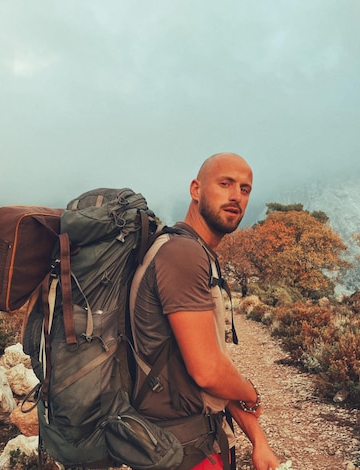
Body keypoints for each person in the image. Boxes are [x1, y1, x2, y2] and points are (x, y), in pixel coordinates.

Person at [130, 153, 280, 470]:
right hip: (183, 448)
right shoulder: (184, 254)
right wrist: (250, 393)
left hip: (194, 441)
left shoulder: (188, 249)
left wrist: (258, 439)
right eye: (225, 184)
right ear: (196, 189)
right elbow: (208, 371)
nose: (236, 196)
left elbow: (211, 370)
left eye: (245, 189)